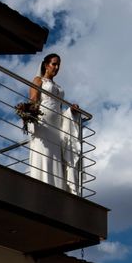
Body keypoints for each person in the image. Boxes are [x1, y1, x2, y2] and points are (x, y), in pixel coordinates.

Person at [27, 53, 81, 193]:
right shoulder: (38, 80)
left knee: (56, 158)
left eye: (58, 65)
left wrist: (71, 111)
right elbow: (33, 98)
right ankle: (40, 188)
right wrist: (27, 111)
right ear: (46, 65)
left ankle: (56, 189)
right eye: (54, 64)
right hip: (43, 124)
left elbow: (59, 108)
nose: (56, 67)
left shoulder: (58, 86)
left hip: (56, 128)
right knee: (43, 153)